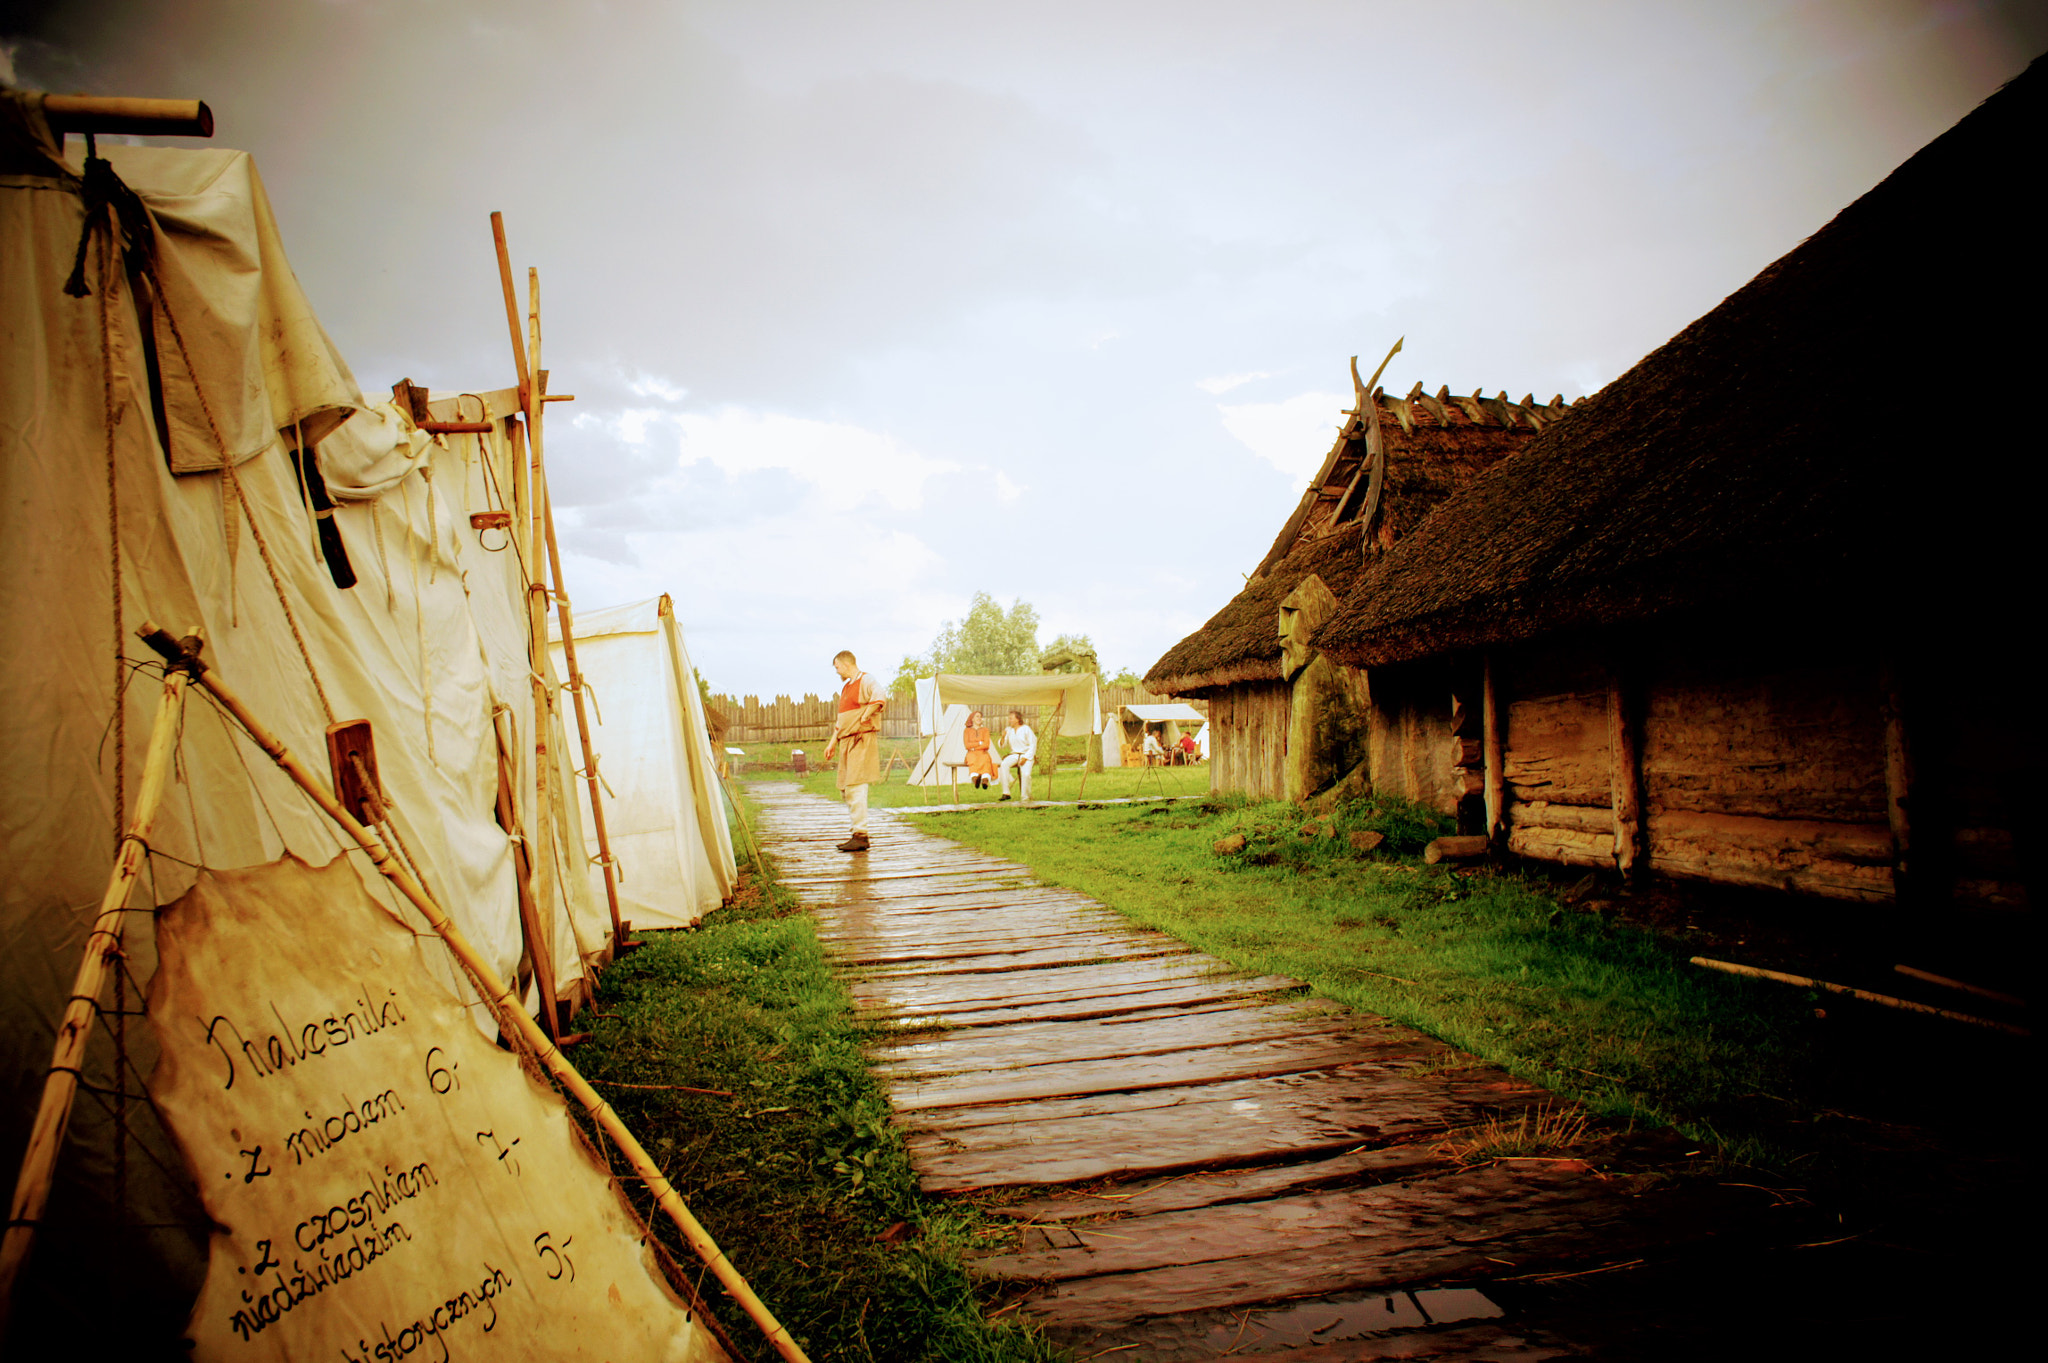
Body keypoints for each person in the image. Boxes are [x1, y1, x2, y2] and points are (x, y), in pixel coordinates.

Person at [821, 650, 885, 851]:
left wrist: (866, 714)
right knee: (845, 789)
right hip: (846, 742)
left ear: (845, 663)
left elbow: (879, 697)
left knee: (856, 787)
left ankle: (861, 835)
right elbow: (842, 721)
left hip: (861, 740)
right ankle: (857, 831)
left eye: (837, 667)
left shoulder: (866, 680)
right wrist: (832, 743)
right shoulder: (846, 687)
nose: (837, 671)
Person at [996, 709, 1036, 801]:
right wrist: (1002, 736)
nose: (1009, 720)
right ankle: (1006, 793)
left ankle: (1025, 797)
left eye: (1011, 718)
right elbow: (1002, 746)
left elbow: (1033, 744)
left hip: (1026, 754)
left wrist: (1025, 758)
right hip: (1014, 754)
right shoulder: (1008, 730)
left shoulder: (1026, 729)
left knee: (1025, 774)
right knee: (1004, 765)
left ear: (1017, 719)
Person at [963, 709, 998, 789]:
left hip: (983, 752)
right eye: (977, 716)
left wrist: (974, 747)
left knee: (985, 760)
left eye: (980, 717)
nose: (979, 718)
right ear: (972, 719)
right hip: (971, 753)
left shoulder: (985, 730)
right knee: (973, 762)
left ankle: (985, 781)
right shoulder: (967, 731)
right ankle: (976, 780)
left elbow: (986, 745)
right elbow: (967, 745)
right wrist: (979, 743)